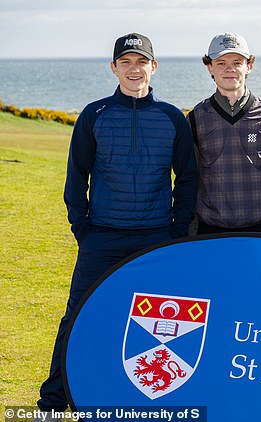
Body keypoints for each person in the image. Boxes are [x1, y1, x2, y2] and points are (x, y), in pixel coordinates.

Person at [34, 33, 197, 419]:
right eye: (125, 61)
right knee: (77, 316)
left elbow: (187, 179)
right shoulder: (95, 114)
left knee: (156, 323)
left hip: (155, 239)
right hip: (102, 238)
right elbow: (76, 179)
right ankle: (53, 401)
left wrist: (174, 232)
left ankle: (149, 397)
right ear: (114, 68)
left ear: (153, 67)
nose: (134, 68)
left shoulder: (172, 117)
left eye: (141, 61)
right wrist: (83, 230)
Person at [188, 32, 261, 234]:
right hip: (211, 233)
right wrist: (191, 233)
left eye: (237, 62)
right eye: (221, 63)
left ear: (248, 67)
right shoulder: (196, 118)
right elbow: (190, 181)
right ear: (210, 67)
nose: (230, 69)